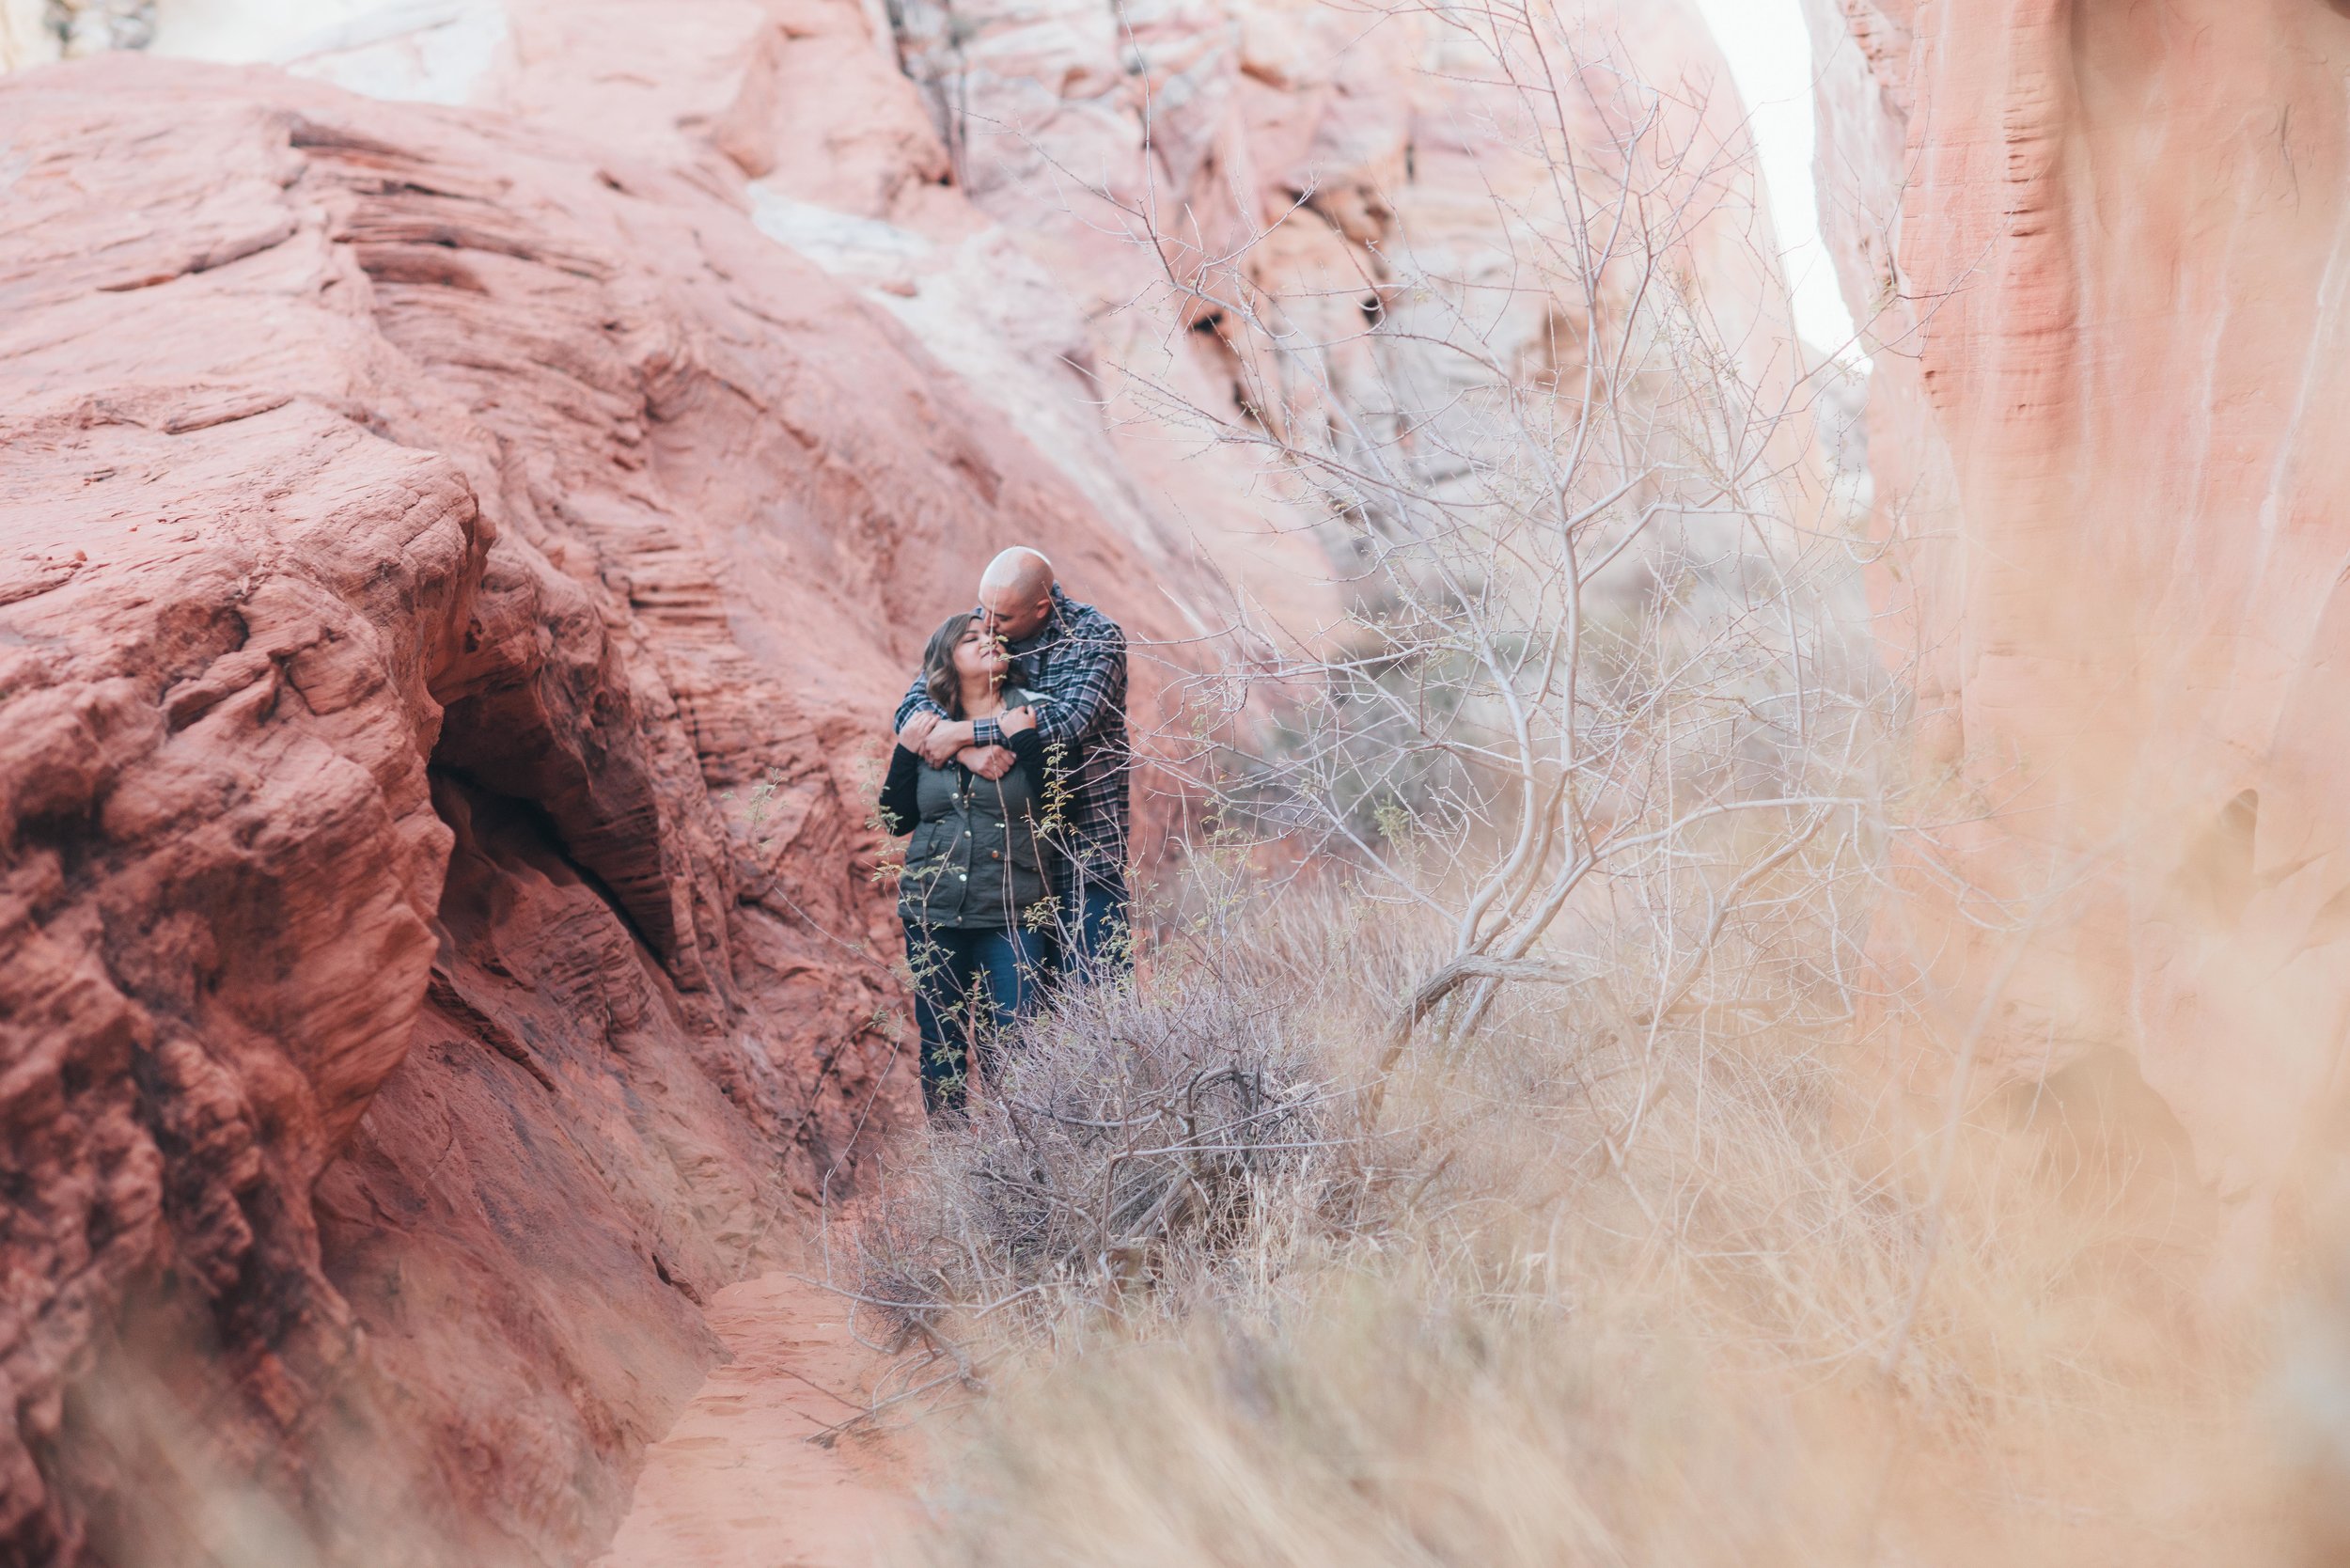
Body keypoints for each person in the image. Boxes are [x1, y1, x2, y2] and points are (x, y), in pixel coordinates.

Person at [893, 548, 1131, 979]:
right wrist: (965, 750)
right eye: (983, 610)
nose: (987, 624)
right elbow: (914, 707)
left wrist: (963, 733)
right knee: (1013, 1021)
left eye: (1000, 618)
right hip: (1004, 872)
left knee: (1097, 1000)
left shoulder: (1094, 637)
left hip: (1079, 852)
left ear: (1041, 608)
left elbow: (1069, 722)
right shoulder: (985, 625)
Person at [878, 613, 1055, 1113]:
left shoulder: (1034, 713)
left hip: (1014, 909)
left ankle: (1026, 1172)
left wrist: (1014, 741)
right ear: (946, 658)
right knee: (942, 1051)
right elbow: (895, 818)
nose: (987, 641)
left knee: (1017, 1048)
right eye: (970, 637)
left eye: (993, 635)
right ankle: (956, 1176)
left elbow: (1058, 800)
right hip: (933, 910)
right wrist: (909, 752)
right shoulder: (925, 724)